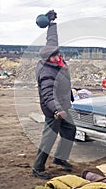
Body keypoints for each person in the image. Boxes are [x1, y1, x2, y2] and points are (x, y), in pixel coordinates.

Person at [32, 10, 76, 180]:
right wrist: (57, 111)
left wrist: (51, 24)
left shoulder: (54, 57)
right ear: (48, 59)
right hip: (54, 110)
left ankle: (59, 158)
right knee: (48, 139)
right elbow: (48, 95)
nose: (59, 56)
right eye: (55, 55)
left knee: (70, 130)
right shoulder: (47, 73)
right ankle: (37, 168)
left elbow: (52, 40)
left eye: (58, 53)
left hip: (64, 105)